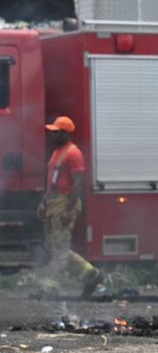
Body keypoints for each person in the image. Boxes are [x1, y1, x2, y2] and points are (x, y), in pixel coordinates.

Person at [36, 116, 102, 299]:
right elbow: (52, 182)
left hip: (64, 203)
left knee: (59, 249)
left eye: (56, 132)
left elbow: (78, 185)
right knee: (53, 246)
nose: (52, 135)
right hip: (54, 203)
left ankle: (50, 289)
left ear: (65, 133)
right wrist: (43, 202)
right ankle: (91, 275)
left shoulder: (73, 154)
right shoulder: (58, 152)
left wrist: (67, 210)